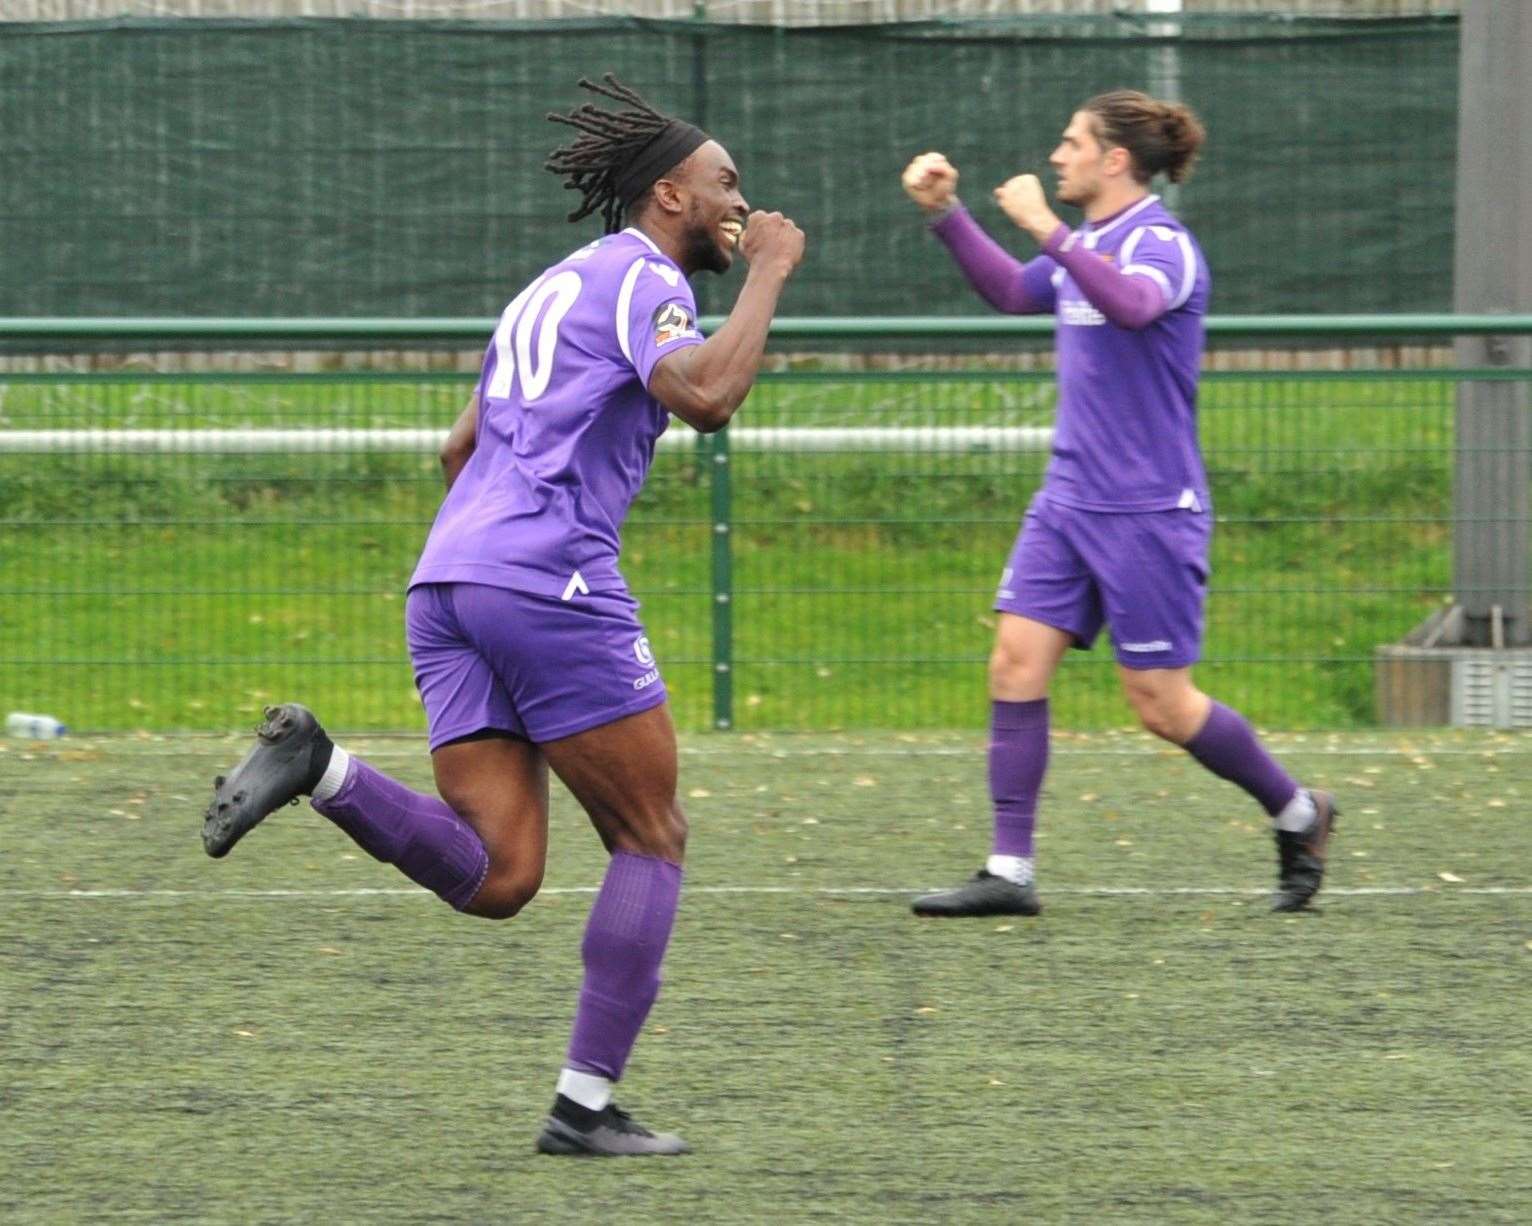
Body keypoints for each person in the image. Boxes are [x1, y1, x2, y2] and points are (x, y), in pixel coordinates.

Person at [202, 74, 805, 1156]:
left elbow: (457, 447)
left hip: (448, 583)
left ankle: (324, 768)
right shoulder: (643, 280)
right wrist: (766, 272)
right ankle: (582, 1105)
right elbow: (705, 396)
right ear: (667, 192)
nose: (738, 200)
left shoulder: (547, 289)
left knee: (499, 874)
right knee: (649, 833)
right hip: (544, 580)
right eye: (724, 183)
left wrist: (488, 566)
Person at [900, 89, 1335, 918]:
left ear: (1115, 160)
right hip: (1069, 500)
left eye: (1072, 143)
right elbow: (1013, 294)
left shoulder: (1162, 245)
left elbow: (1134, 305)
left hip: (1149, 512)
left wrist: (1046, 229)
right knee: (1015, 663)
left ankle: (1301, 813)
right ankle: (1009, 871)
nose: (1057, 156)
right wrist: (948, 213)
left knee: (1163, 706)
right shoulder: (1089, 242)